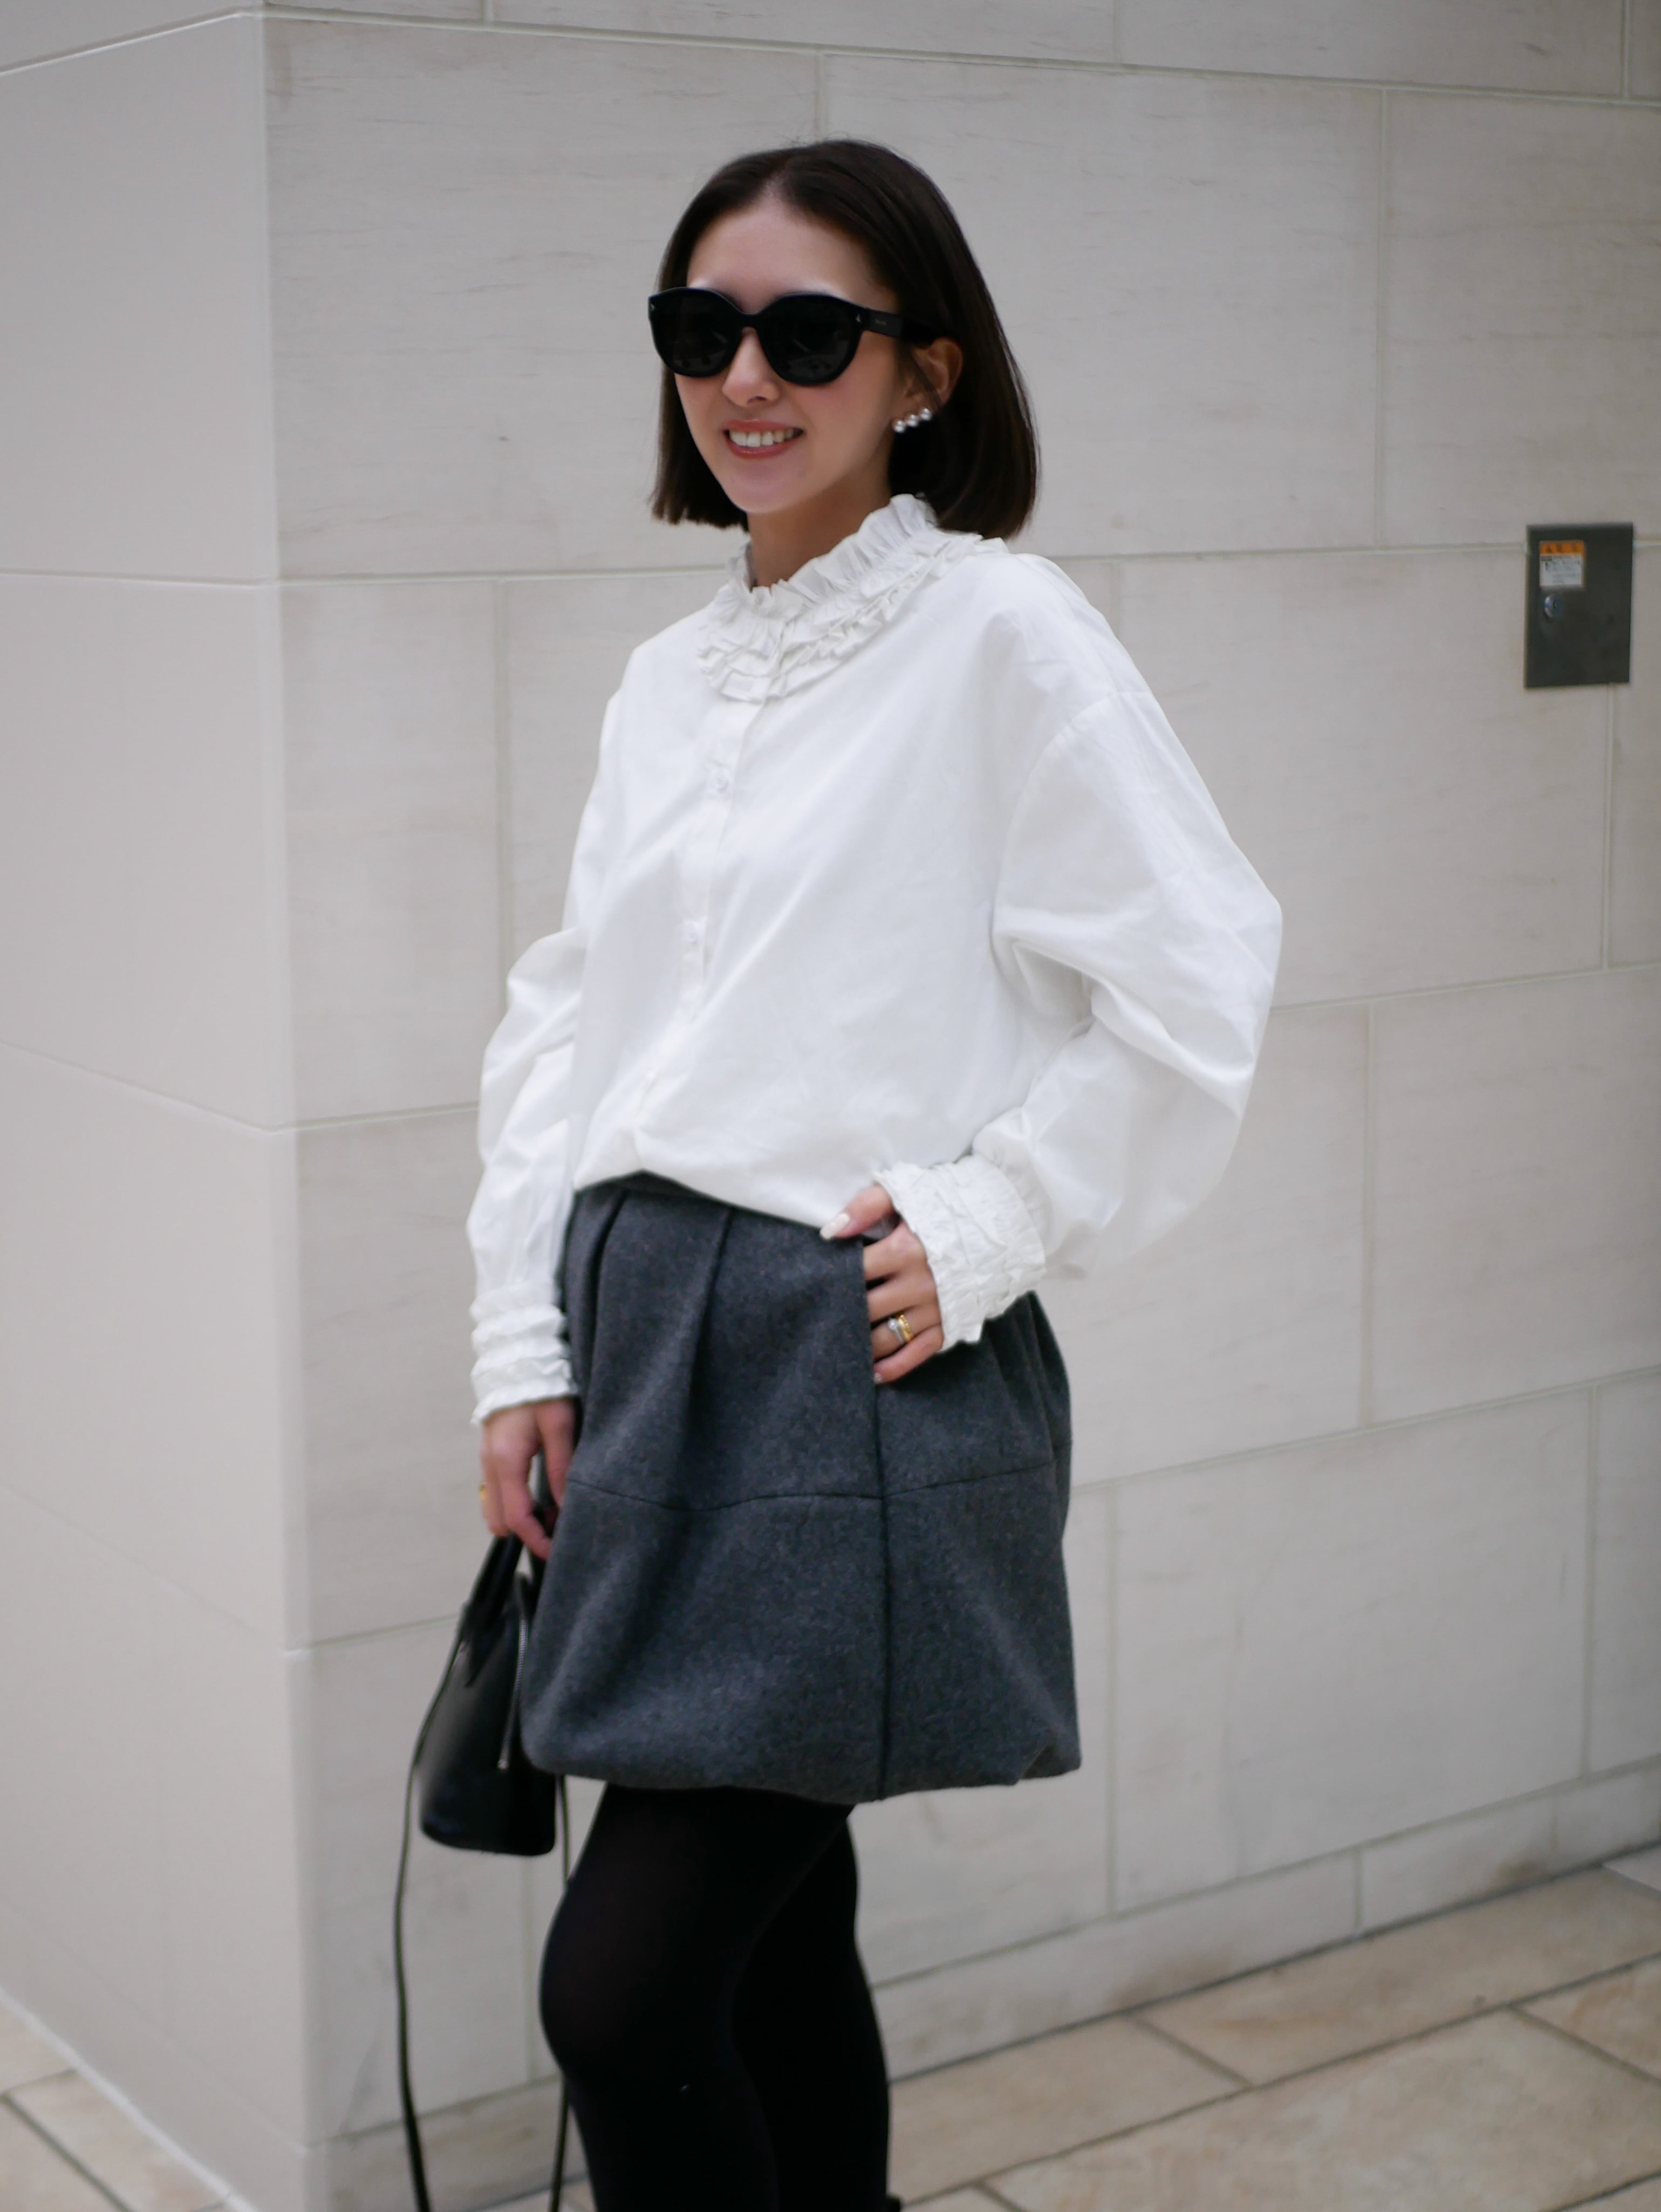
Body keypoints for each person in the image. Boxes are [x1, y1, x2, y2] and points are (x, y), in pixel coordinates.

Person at [468, 139, 1280, 2212]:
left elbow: (1197, 972)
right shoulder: (670, 679)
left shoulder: (1001, 630)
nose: (747, 375)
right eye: (702, 328)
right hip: (645, 1342)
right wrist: (519, 1341)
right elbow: (570, 1021)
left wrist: (996, 1212)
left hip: (837, 1355)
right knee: (772, 1936)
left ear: (922, 370)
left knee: (624, 1996)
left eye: (808, 332)